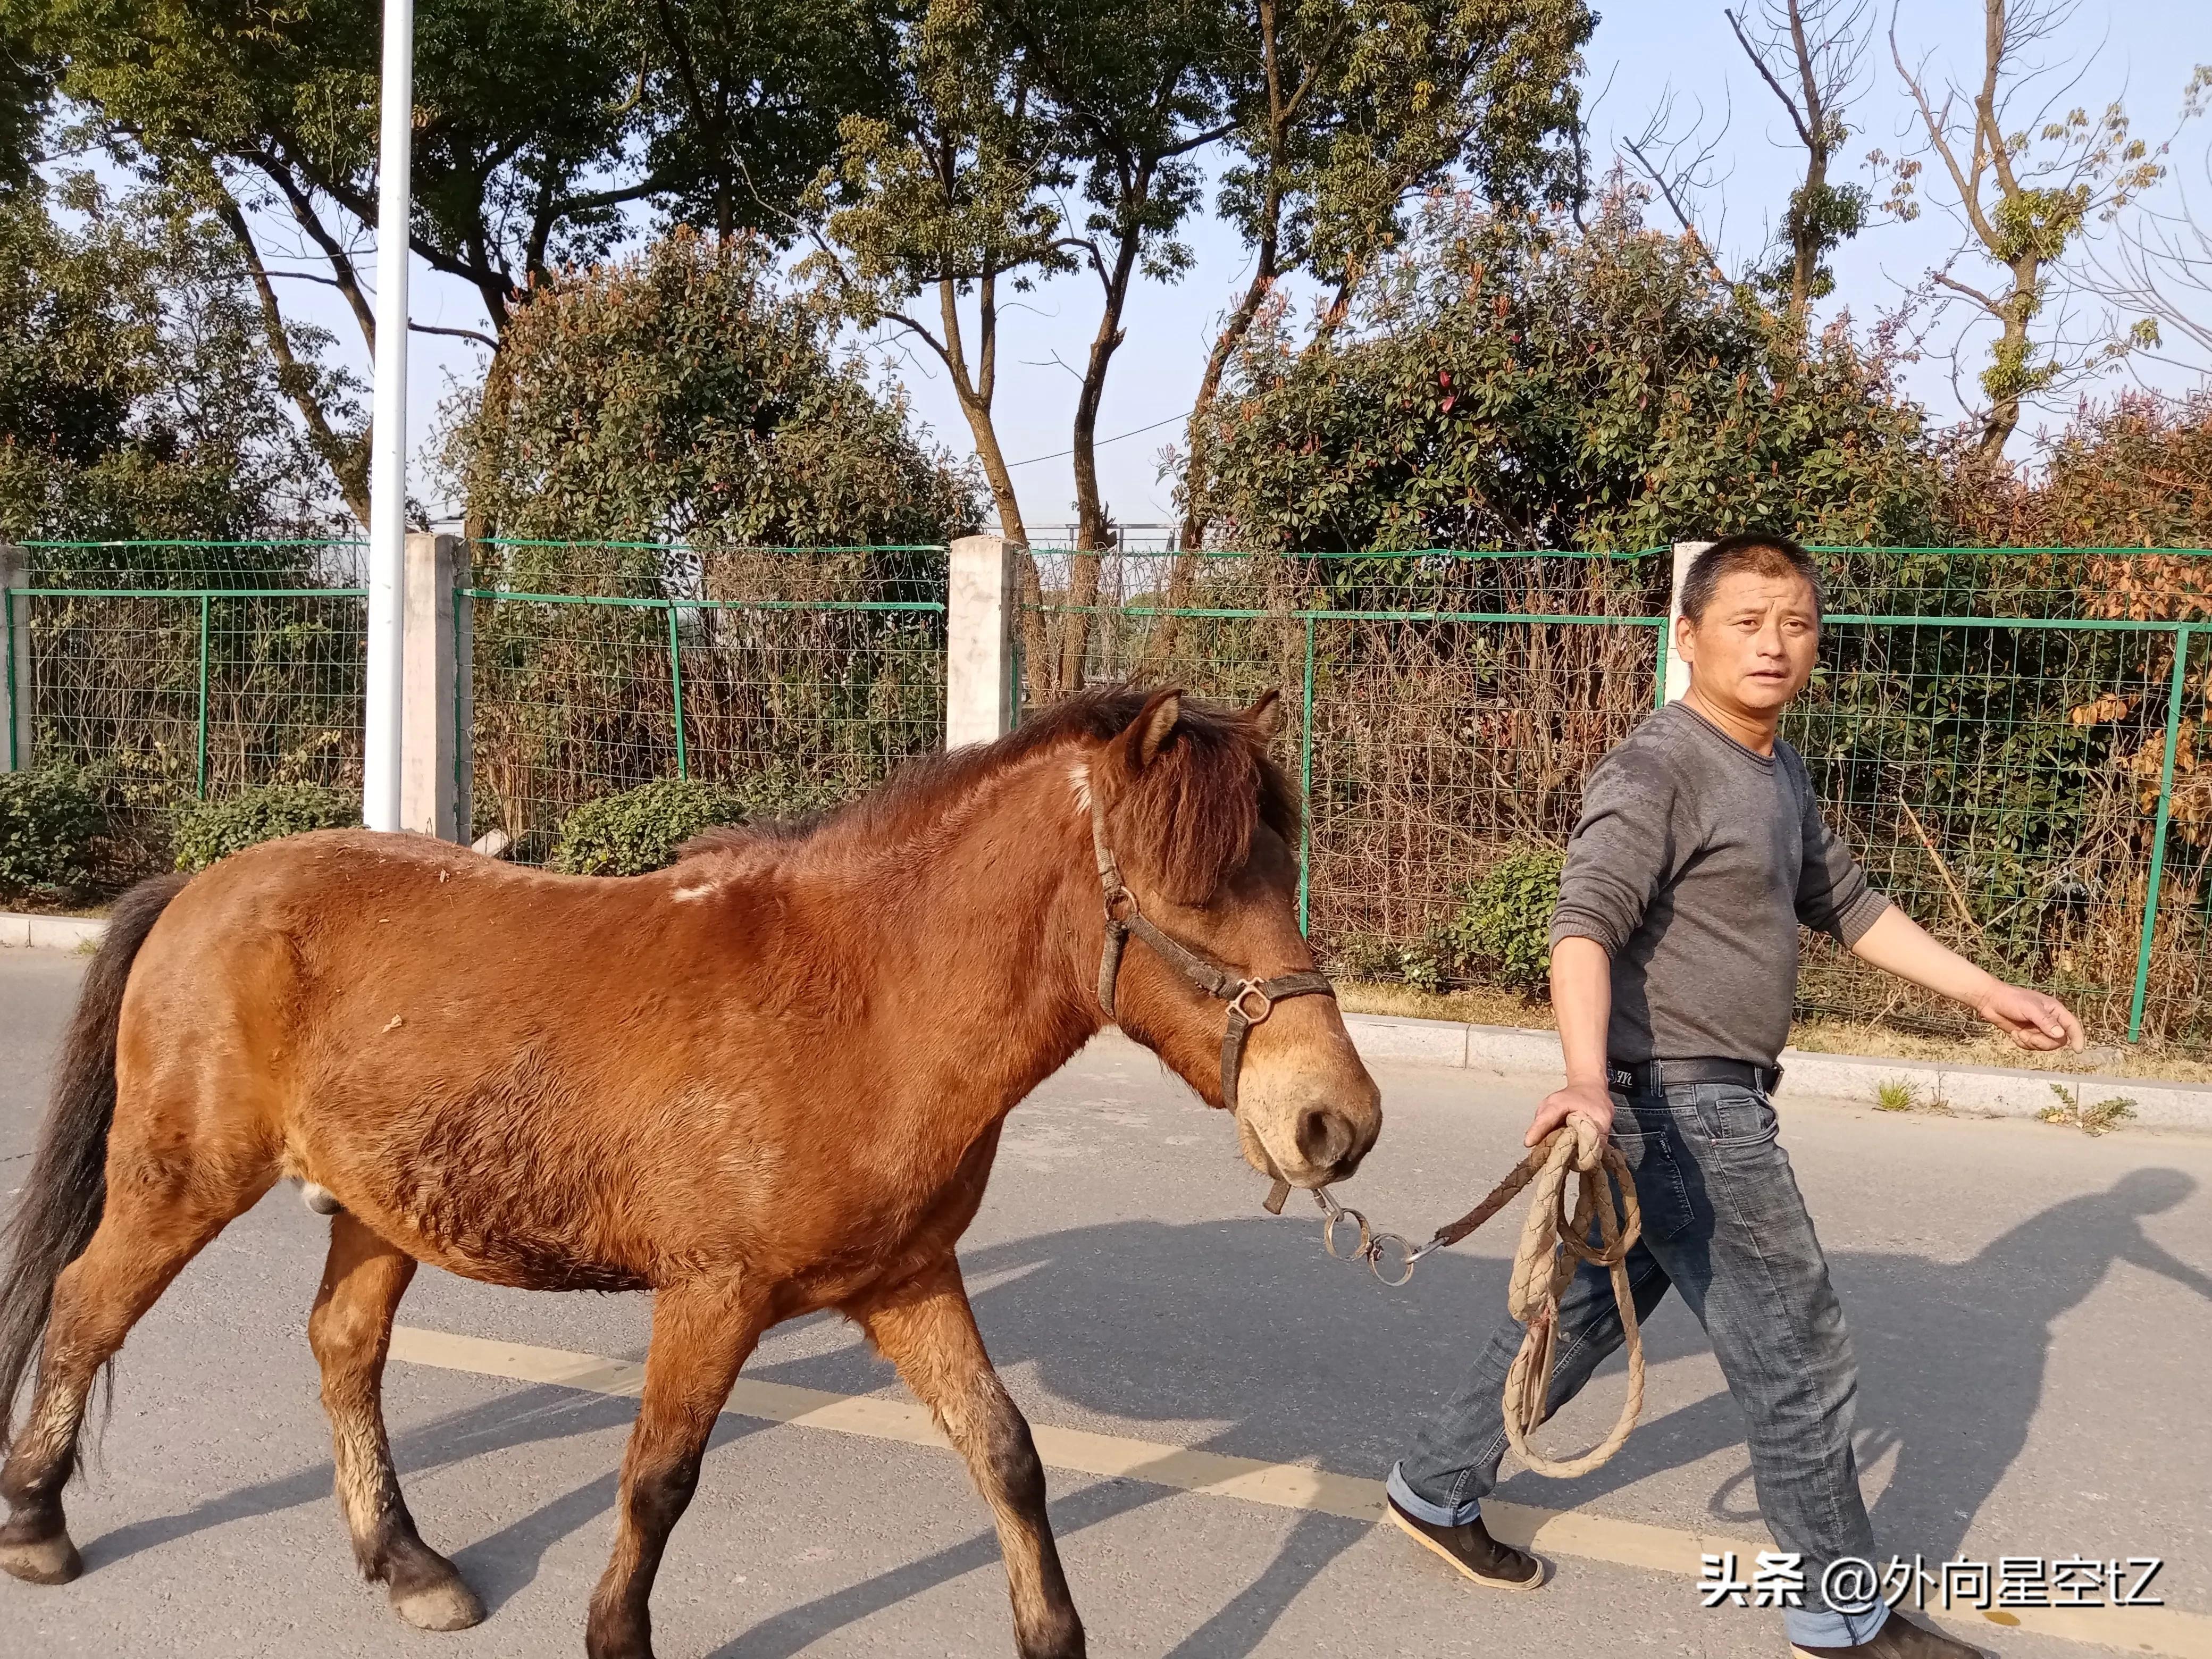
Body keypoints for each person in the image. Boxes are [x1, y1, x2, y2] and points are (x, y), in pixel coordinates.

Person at [1384, 532, 2084, 1658]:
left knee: (1569, 1323)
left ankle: (1432, 1484)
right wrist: (1581, 1081)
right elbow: (1581, 927)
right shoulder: (1658, 767)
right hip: (1683, 1111)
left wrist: (1986, 991)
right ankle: (1841, 1615)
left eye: (1796, 622)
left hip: (1696, 1104)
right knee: (1797, 1353)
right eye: (1747, 620)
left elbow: (1846, 904)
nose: (1773, 642)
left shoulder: (1777, 771)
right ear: (1688, 636)